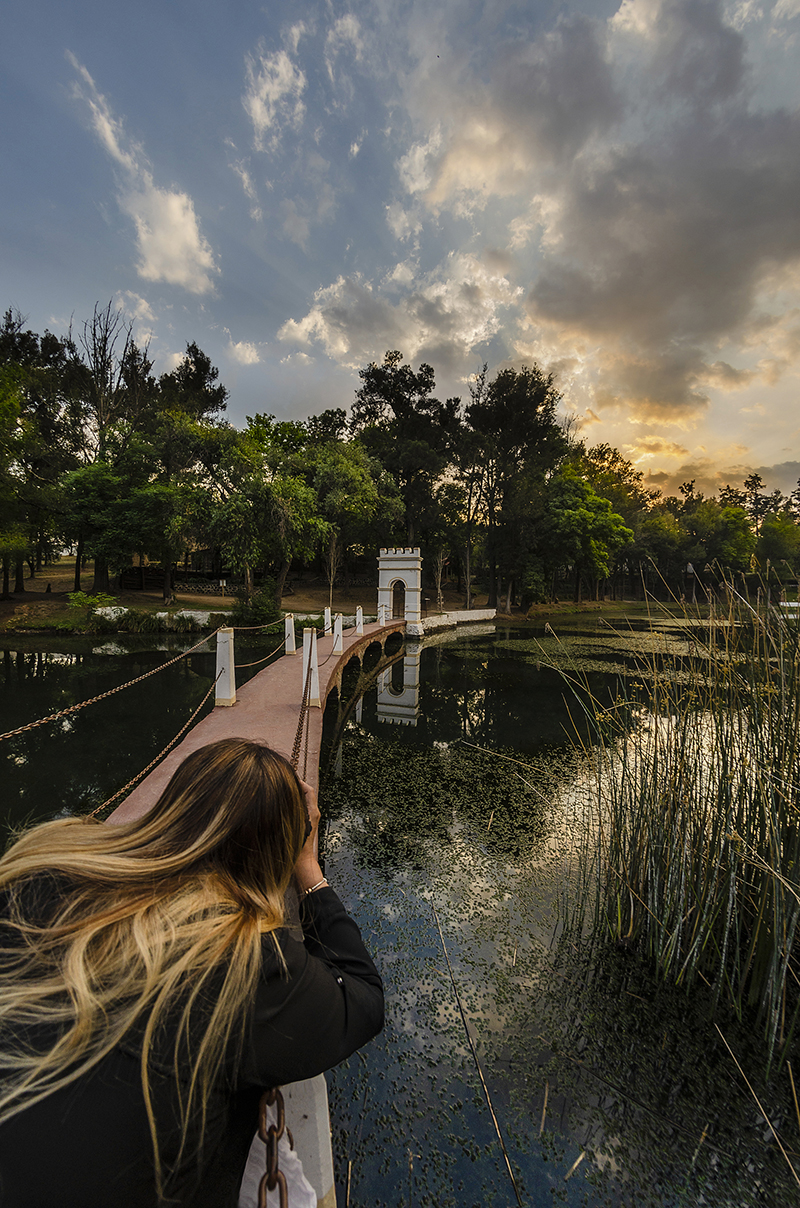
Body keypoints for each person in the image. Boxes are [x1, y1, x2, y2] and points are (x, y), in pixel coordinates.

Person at [0, 738, 383, 1206]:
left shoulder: (39, 870)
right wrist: (309, 869)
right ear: (279, 847)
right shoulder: (247, 961)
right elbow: (361, 997)